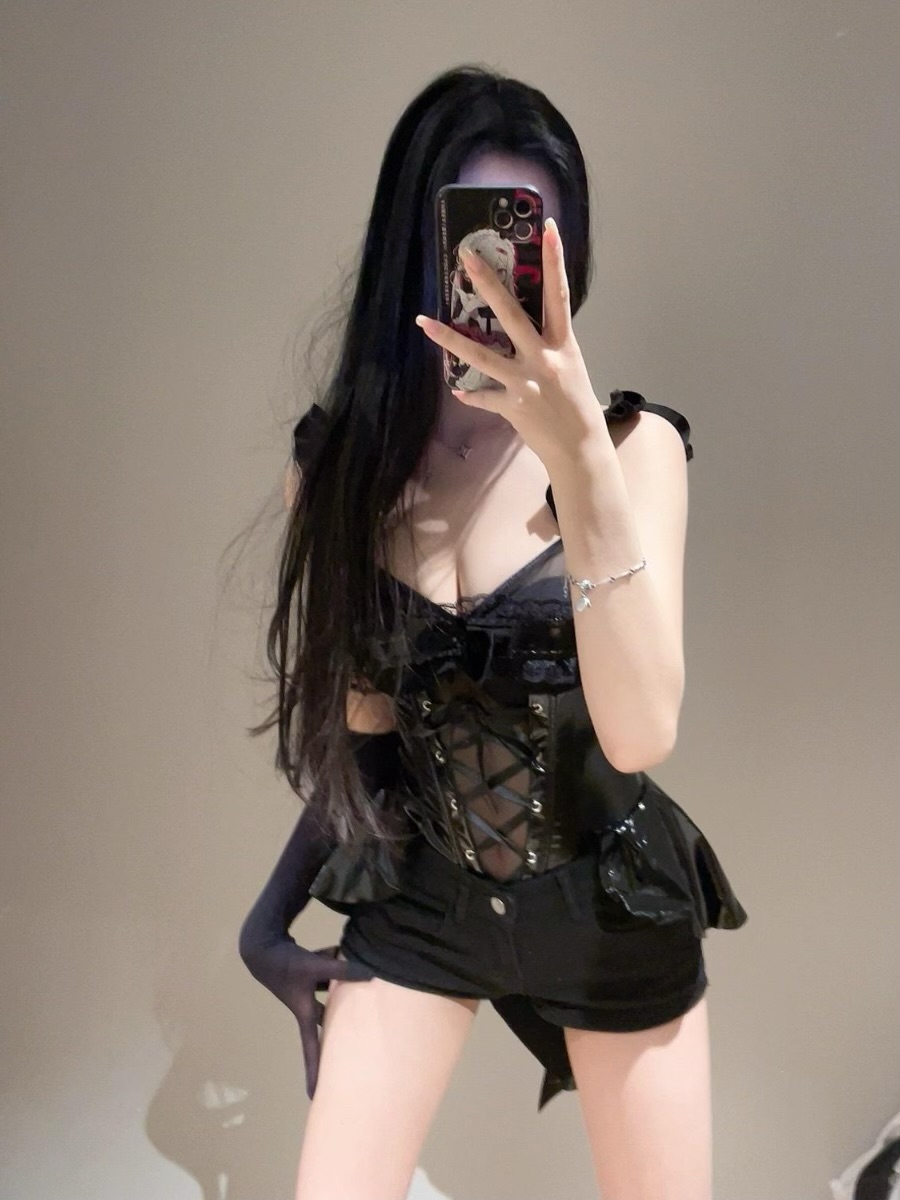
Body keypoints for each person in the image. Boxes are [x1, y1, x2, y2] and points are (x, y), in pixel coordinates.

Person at [238, 63, 748, 1200]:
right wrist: (267, 919)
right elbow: (369, 741)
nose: (494, 279)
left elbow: (640, 733)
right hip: (427, 900)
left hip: (612, 905)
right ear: (412, 251)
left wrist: (577, 455)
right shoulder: (341, 472)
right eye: (467, 245)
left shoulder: (635, 452)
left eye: (526, 245)